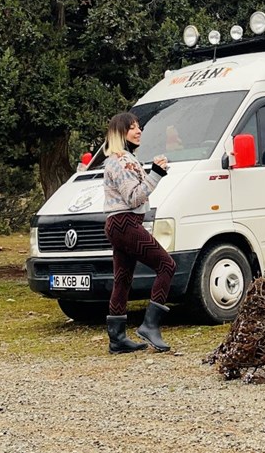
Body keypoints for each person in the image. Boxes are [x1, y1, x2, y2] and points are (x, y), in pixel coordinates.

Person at [102, 112, 177, 354]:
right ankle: (150, 325)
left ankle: (117, 338)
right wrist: (156, 173)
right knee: (167, 265)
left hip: (119, 224)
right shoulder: (121, 160)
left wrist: (154, 172)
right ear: (120, 133)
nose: (139, 131)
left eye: (139, 127)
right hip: (125, 223)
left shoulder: (122, 159)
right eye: (132, 128)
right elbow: (133, 197)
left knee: (122, 279)